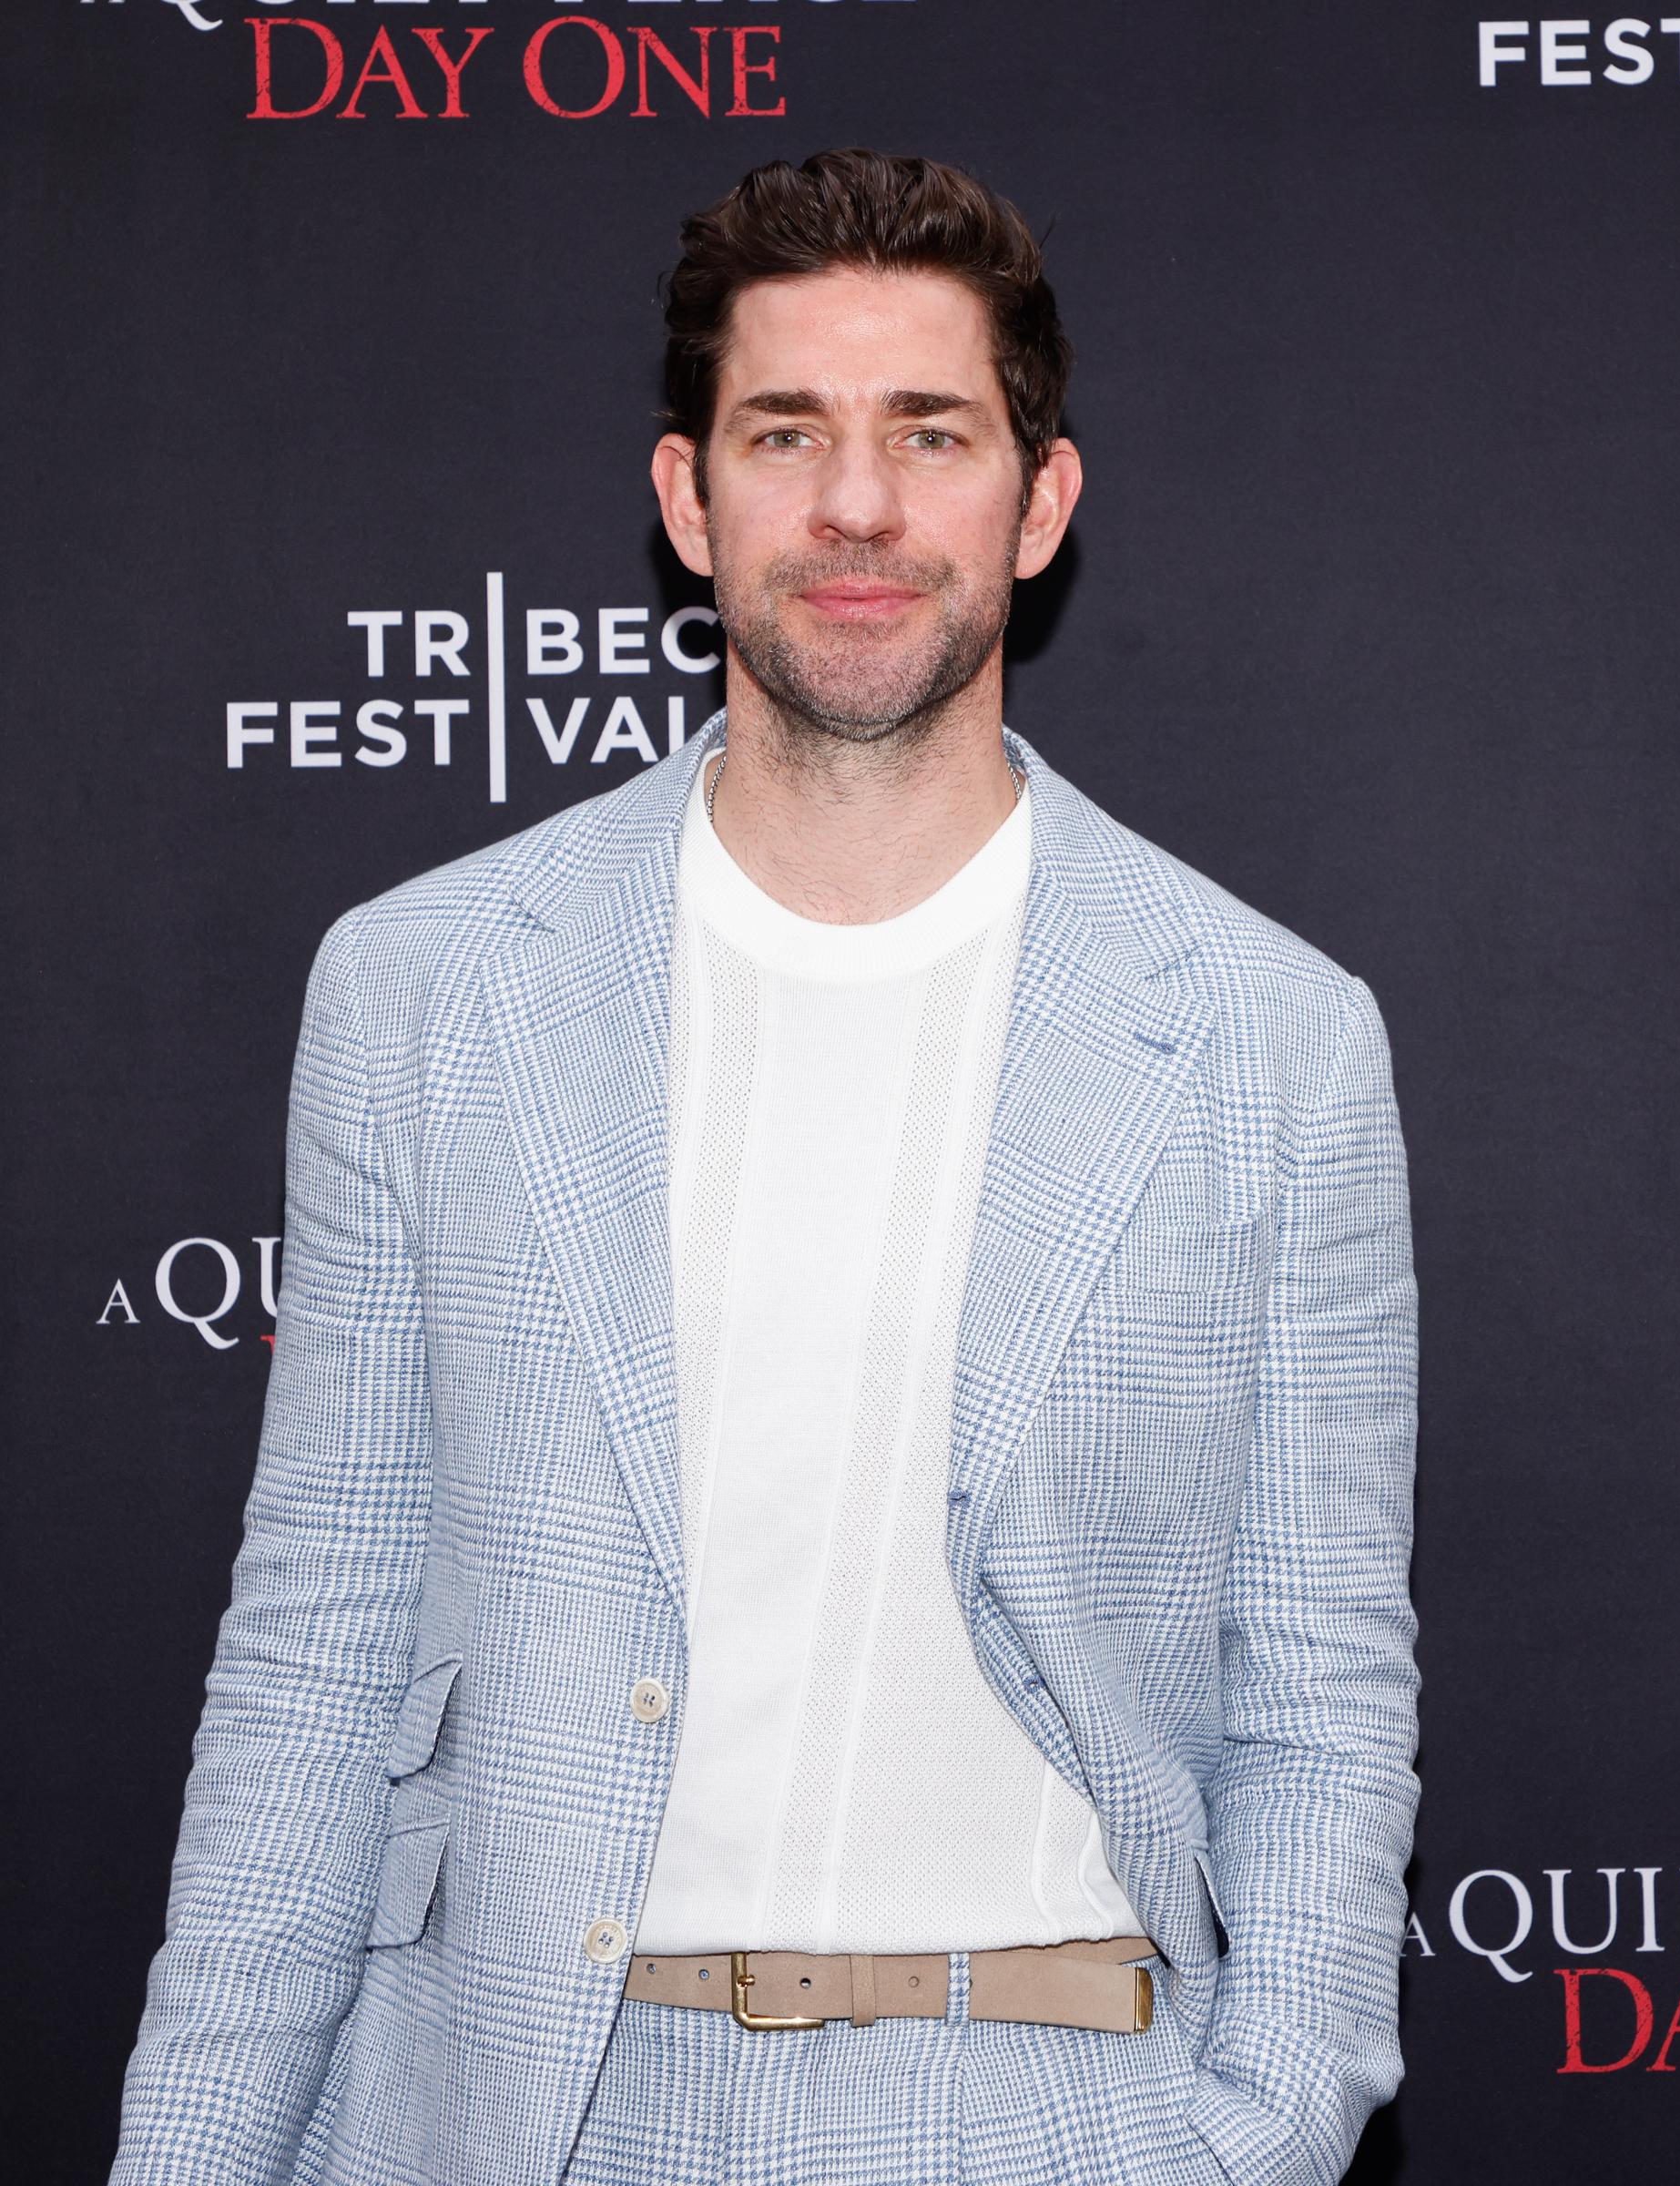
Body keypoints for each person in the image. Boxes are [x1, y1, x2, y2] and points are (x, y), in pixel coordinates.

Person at [110, 148, 1420, 2186]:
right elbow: (319, 1648)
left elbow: (1322, 1675)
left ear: (1039, 499)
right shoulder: (427, 989)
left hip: (1065, 2107)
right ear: (686, 497)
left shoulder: (1267, 1035)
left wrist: (1259, 2131)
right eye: (785, 432)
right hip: (527, 2109)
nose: (860, 507)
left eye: (931, 434)